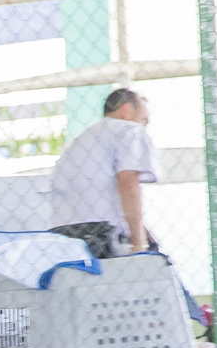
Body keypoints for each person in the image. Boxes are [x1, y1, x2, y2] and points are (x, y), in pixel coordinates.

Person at [50, 88, 158, 256]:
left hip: (63, 235)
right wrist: (139, 243)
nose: (145, 124)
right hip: (102, 233)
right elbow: (128, 183)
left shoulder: (81, 141)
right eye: (144, 119)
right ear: (127, 109)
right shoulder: (129, 129)